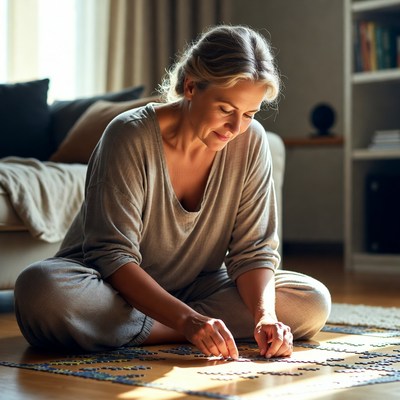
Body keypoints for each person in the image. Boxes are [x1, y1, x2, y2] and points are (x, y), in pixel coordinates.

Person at [14, 25, 331, 360]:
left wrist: (265, 316)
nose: (236, 128)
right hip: (107, 285)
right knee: (40, 291)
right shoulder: (128, 135)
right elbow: (112, 257)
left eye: (249, 114)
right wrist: (189, 320)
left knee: (311, 301)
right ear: (191, 87)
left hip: (197, 286)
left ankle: (145, 329)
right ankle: (184, 328)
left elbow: (253, 252)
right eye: (226, 109)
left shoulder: (250, 141)